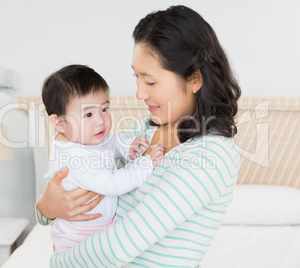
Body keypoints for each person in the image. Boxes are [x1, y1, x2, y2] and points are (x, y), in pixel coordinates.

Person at [37, 5, 241, 267]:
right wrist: (45, 209)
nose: (139, 94)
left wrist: (58, 262)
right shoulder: (141, 131)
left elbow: (119, 247)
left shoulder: (211, 155)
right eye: (136, 77)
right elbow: (78, 187)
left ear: (194, 79)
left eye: (150, 81)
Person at [41, 64, 165, 252]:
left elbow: (112, 141)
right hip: (76, 239)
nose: (100, 120)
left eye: (105, 109)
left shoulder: (87, 136)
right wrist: (145, 164)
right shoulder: (73, 158)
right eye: (88, 114)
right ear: (58, 123)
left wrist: (128, 146)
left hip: (101, 231)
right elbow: (113, 184)